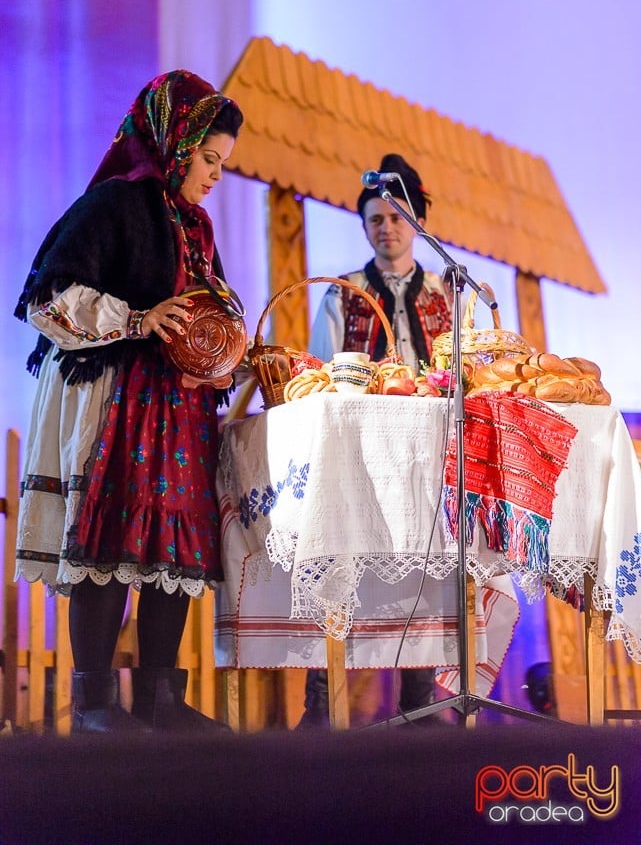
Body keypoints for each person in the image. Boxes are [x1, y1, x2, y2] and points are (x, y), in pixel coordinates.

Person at [14, 70, 244, 733]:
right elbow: (46, 298)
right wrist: (140, 320)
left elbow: (212, 312)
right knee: (109, 533)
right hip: (117, 398)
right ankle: (93, 704)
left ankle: (158, 699)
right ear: (173, 144)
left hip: (176, 408)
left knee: (170, 544)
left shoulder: (194, 226)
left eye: (222, 164)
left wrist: (234, 355)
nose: (214, 175)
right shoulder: (114, 204)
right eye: (207, 159)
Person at [299, 152, 453, 728]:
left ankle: (420, 700)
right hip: (360, 458)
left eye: (395, 217)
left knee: (426, 566)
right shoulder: (342, 295)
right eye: (374, 220)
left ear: (416, 221)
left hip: (429, 457)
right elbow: (317, 375)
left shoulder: (448, 294)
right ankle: (323, 703)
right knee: (342, 563)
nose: (386, 228)